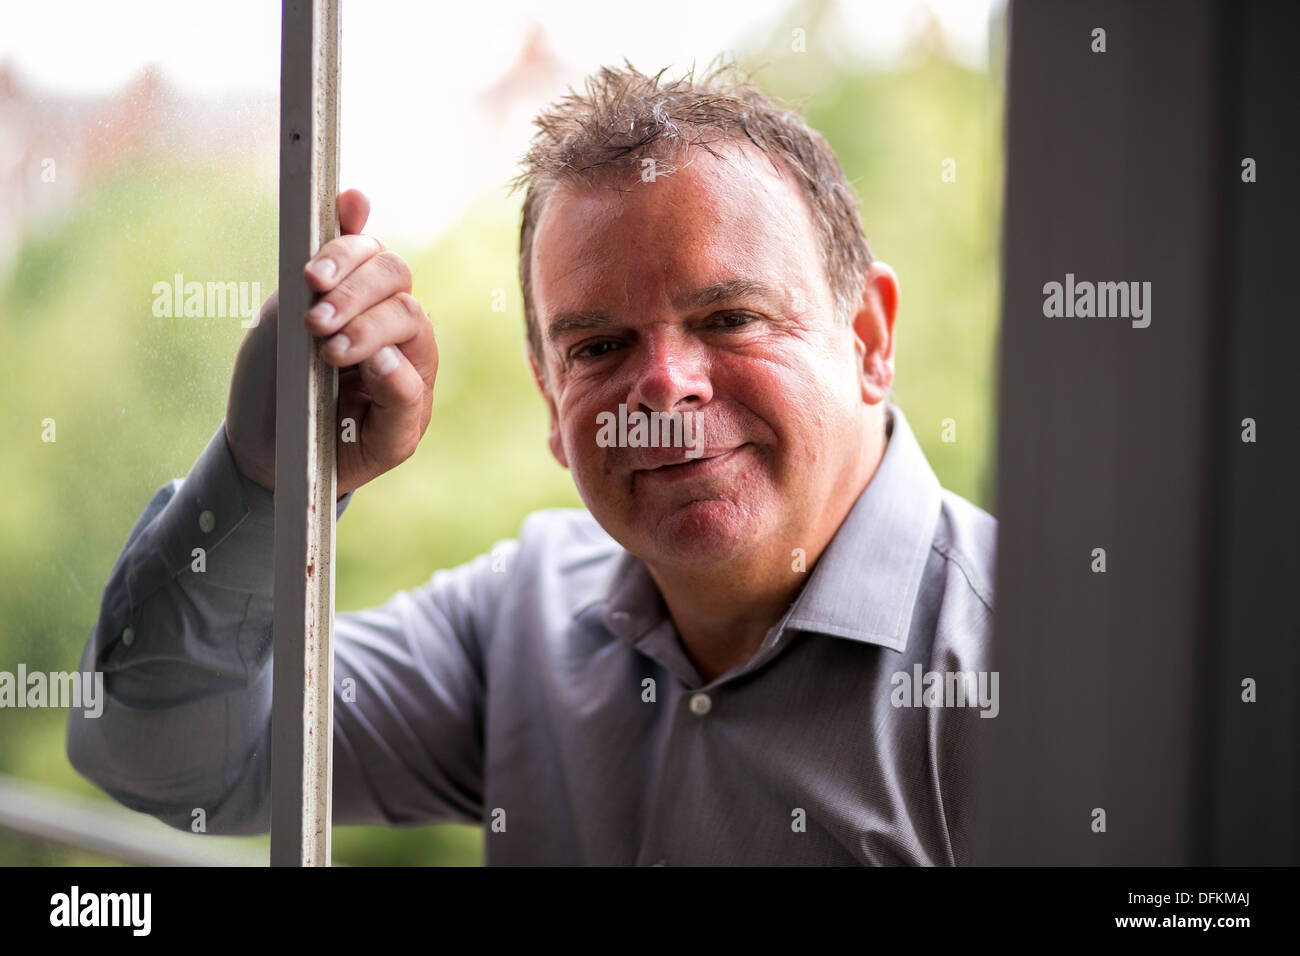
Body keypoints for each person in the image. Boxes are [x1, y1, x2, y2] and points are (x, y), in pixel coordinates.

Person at [66, 62, 996, 865]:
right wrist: (267, 479)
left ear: (871, 339)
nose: (664, 388)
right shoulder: (521, 620)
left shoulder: (1029, 667)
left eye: (730, 318)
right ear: (552, 403)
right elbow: (161, 758)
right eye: (597, 347)